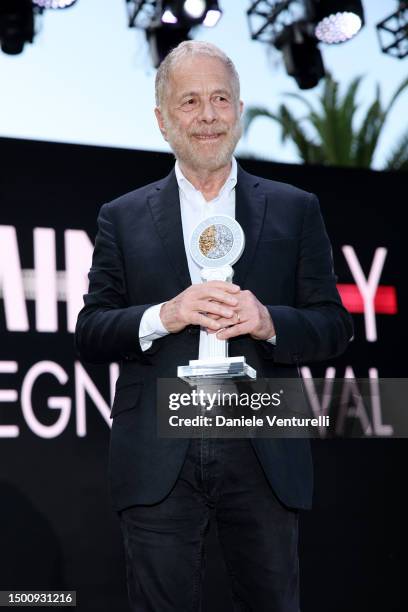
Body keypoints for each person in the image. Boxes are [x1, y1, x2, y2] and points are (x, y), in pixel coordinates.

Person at [75, 41, 353, 612]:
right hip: (159, 442)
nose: (208, 115)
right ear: (162, 120)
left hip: (263, 435)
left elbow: (334, 325)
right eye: (190, 101)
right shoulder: (121, 216)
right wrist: (167, 314)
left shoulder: (295, 207)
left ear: (240, 109)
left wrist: (268, 320)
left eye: (220, 98)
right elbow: (92, 330)